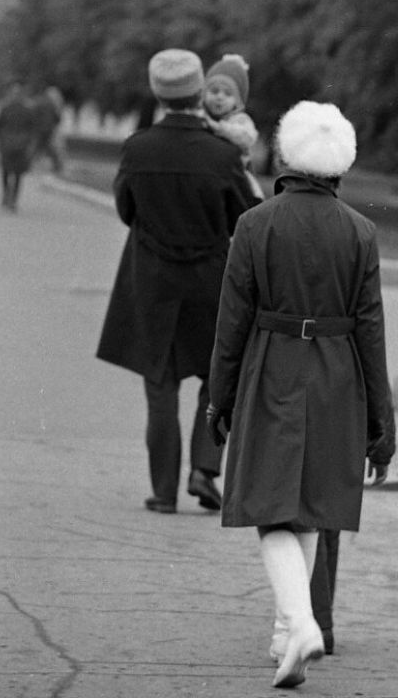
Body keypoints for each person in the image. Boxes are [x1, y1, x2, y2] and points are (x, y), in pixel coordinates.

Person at [207, 100, 395, 688]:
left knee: (268, 509)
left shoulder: (256, 223)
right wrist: (380, 427)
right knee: (310, 509)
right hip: (338, 374)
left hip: (274, 365)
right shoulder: (361, 232)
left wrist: (221, 397)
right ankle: (289, 634)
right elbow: (371, 331)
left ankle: (299, 622)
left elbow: (232, 321)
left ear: (288, 153)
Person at [97, 48, 257, 515]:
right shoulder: (224, 153)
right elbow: (242, 218)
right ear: (197, 91)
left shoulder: (137, 148)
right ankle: (204, 469)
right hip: (210, 278)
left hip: (151, 280)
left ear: (159, 93)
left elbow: (127, 210)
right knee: (217, 376)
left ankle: (163, 490)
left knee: (160, 385)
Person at [203, 53, 264, 199]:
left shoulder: (239, 120)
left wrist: (220, 128)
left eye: (228, 93)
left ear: (238, 102)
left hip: (237, 176)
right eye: (214, 91)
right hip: (210, 174)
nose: (219, 97)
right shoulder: (203, 117)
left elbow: (247, 136)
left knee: (251, 194)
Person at [0, 82, 35, 211]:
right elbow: (32, 128)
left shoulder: (5, 108)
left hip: (8, 142)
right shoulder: (27, 109)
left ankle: (8, 196)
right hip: (19, 144)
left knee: (8, 171)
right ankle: (12, 198)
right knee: (16, 173)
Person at [32, 86, 64, 173]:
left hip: (40, 130)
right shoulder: (52, 105)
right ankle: (57, 166)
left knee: (37, 148)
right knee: (49, 148)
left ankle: (30, 165)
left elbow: (34, 116)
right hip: (49, 130)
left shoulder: (39, 103)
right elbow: (57, 118)